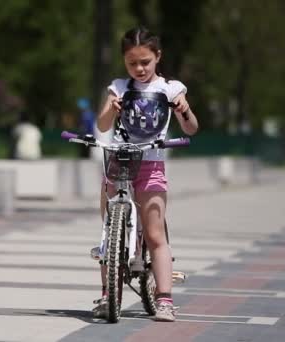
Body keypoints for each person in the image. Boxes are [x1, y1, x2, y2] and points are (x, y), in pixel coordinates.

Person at [92, 27, 199, 322]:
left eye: (145, 62)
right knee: (108, 234)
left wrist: (184, 111)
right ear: (124, 62)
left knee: (154, 234)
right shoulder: (118, 87)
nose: (139, 69)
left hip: (151, 166)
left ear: (157, 58)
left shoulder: (170, 89)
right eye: (132, 63)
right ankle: (106, 295)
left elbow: (191, 128)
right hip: (118, 161)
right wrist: (110, 110)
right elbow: (102, 126)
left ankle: (164, 299)